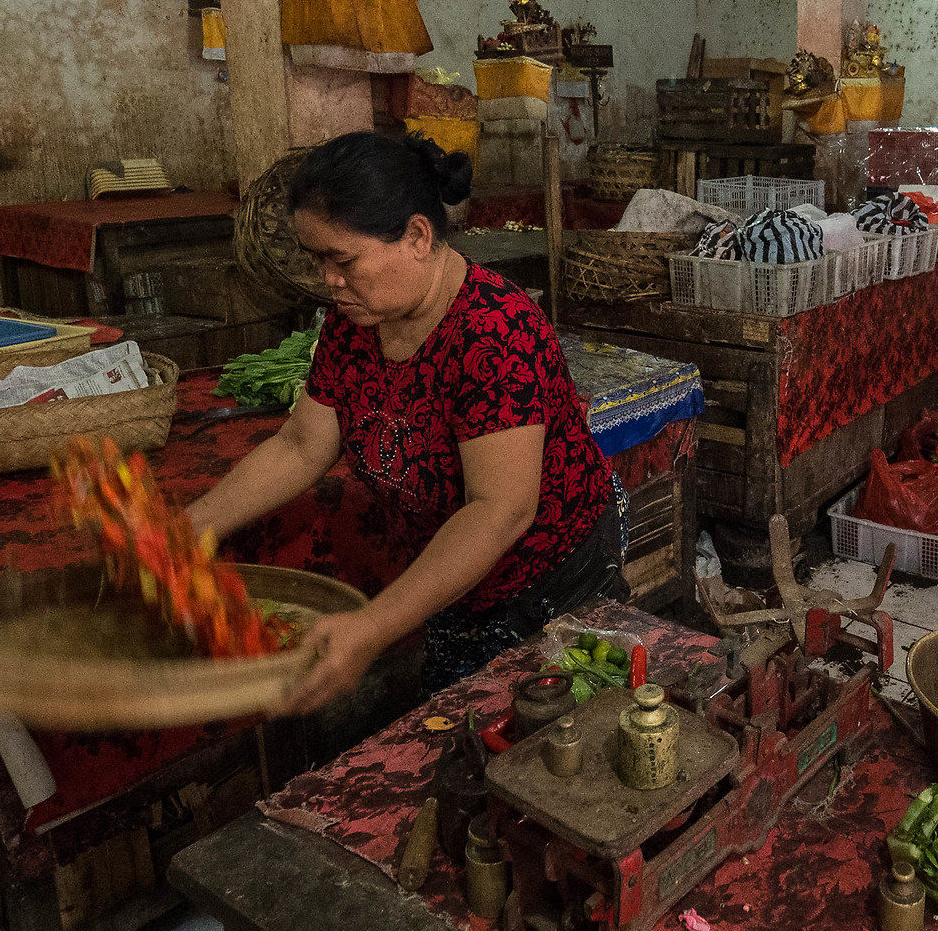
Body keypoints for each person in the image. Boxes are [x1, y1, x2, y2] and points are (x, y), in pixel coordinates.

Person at [188, 132, 622, 712]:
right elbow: (301, 446)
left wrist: (370, 628)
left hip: (549, 583)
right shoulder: (353, 323)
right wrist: (190, 528)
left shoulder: (496, 333)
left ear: (418, 236)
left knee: (551, 733)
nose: (328, 281)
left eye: (343, 260)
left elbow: (499, 509)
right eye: (318, 261)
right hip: (456, 582)